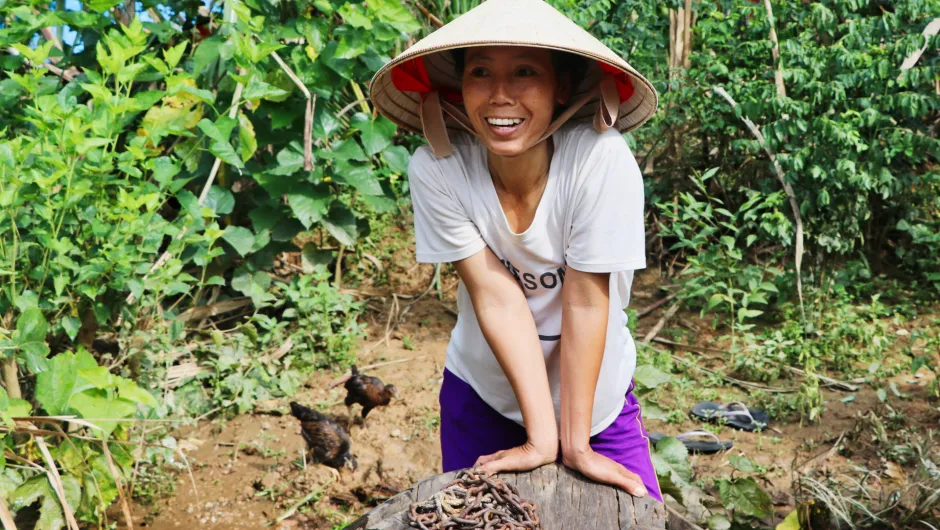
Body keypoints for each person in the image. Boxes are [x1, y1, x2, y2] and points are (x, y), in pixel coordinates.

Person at [369, 0, 662, 501]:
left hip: (597, 403)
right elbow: (495, 296)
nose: (500, 95)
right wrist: (540, 438)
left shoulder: (599, 160)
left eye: (525, 72)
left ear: (561, 87)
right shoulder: (438, 168)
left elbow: (588, 300)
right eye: (480, 72)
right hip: (484, 396)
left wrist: (574, 443)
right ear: (459, 88)